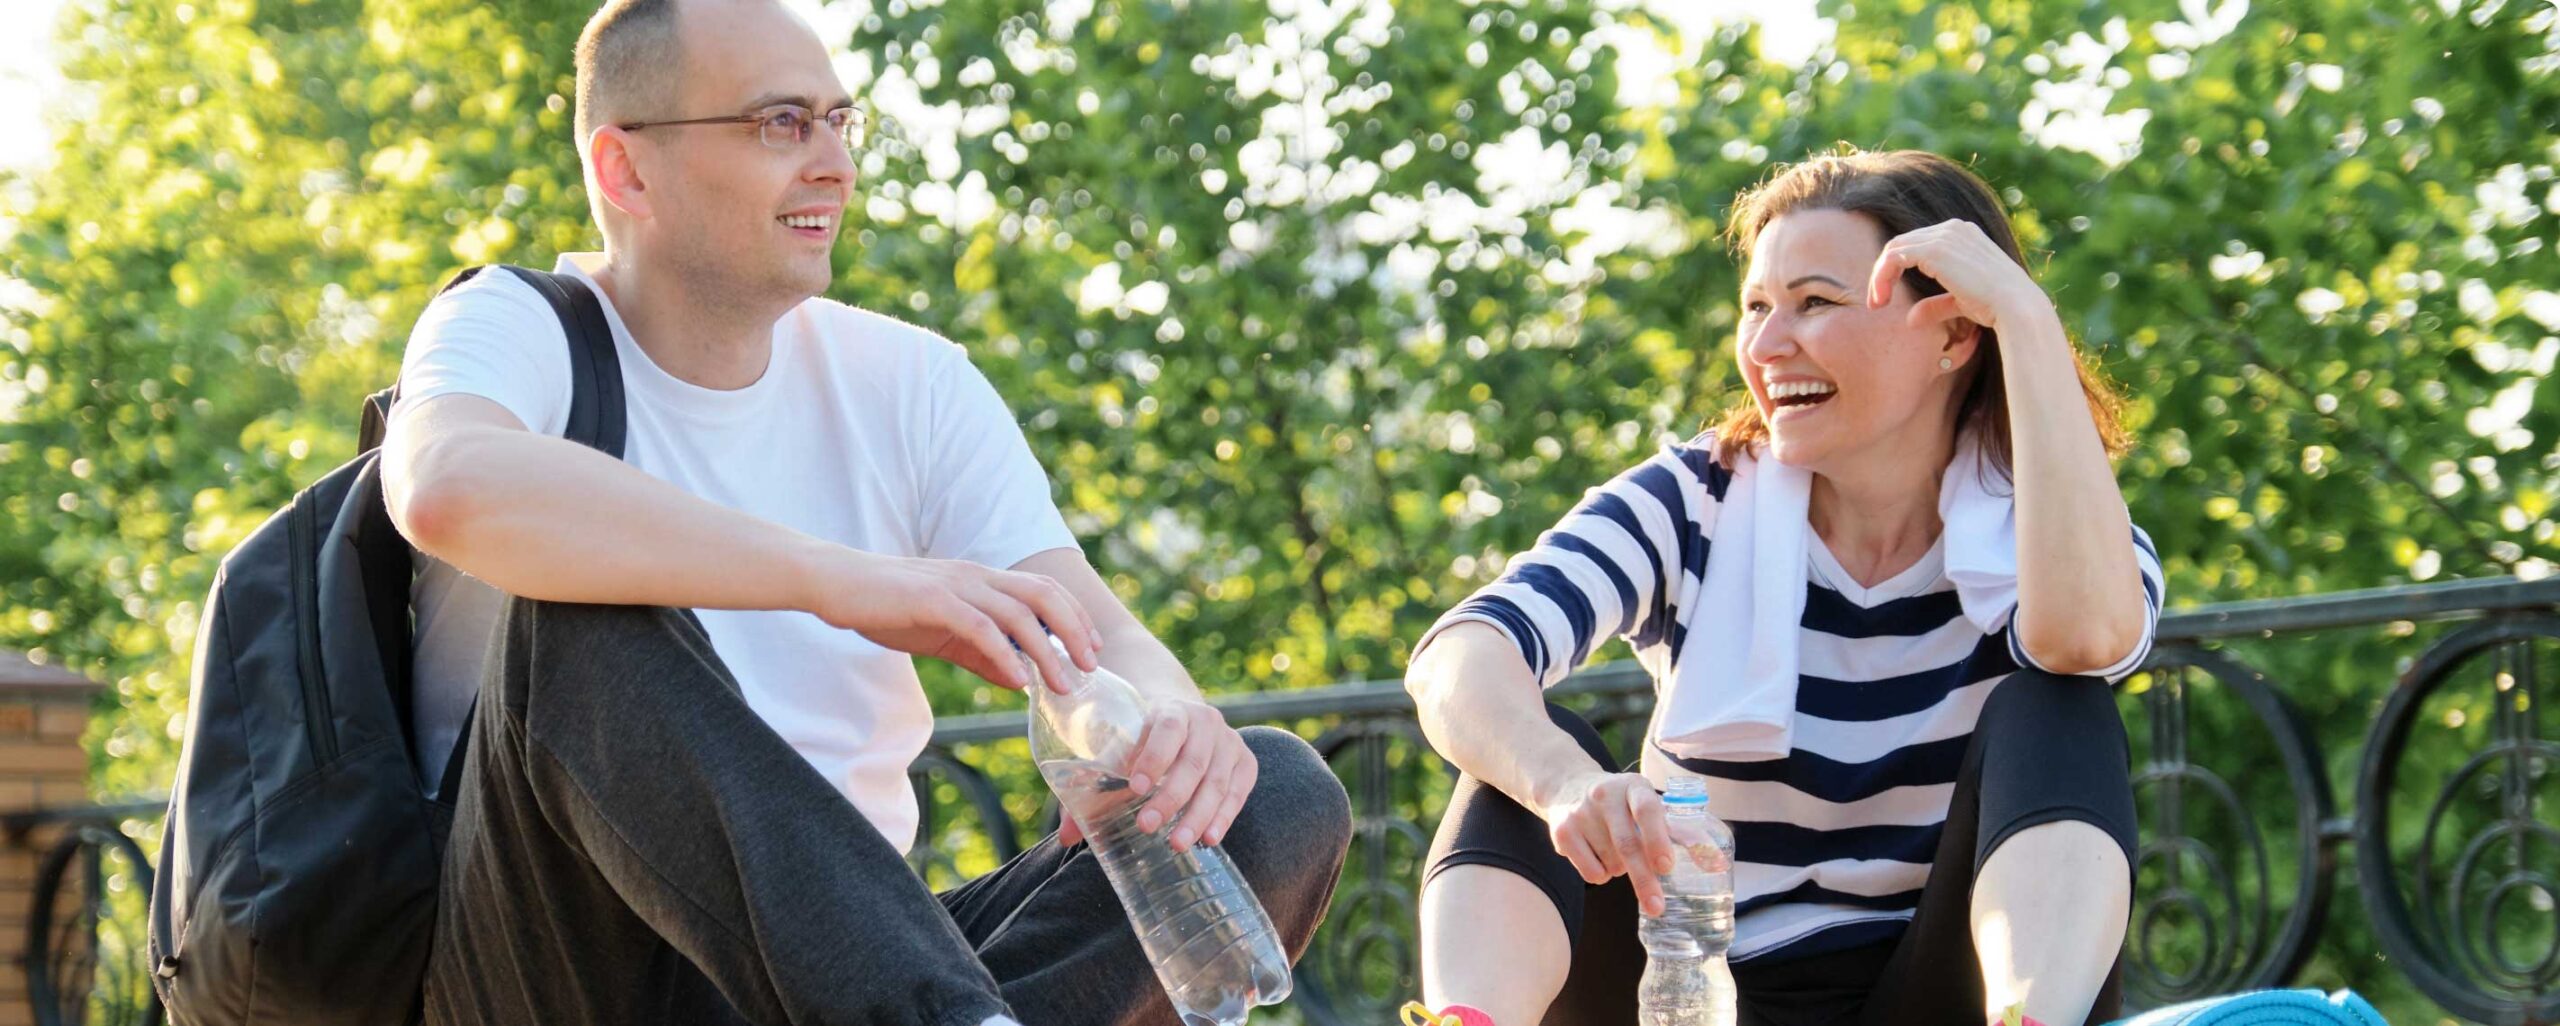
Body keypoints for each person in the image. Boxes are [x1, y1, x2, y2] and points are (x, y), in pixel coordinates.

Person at [379, 1, 1350, 1022]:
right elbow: (448, 482)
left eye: (842, 122)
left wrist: (1171, 728)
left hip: (851, 969)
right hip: (570, 967)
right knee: (579, 608)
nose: (835, 163)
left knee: (1273, 793)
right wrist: (848, 582)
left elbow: (1100, 638)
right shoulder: (512, 322)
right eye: (780, 124)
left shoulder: (909, 381)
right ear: (626, 171)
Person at [1400, 149, 2163, 1026]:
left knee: (2060, 706)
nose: (1765, 347)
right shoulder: (1695, 501)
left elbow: (2088, 641)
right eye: (1756, 308)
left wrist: (2027, 319)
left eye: (1816, 304)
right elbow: (1459, 656)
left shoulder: (2056, 522)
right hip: (1698, 990)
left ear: (1955, 334)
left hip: (1941, 997)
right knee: (1527, 758)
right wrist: (1564, 785)